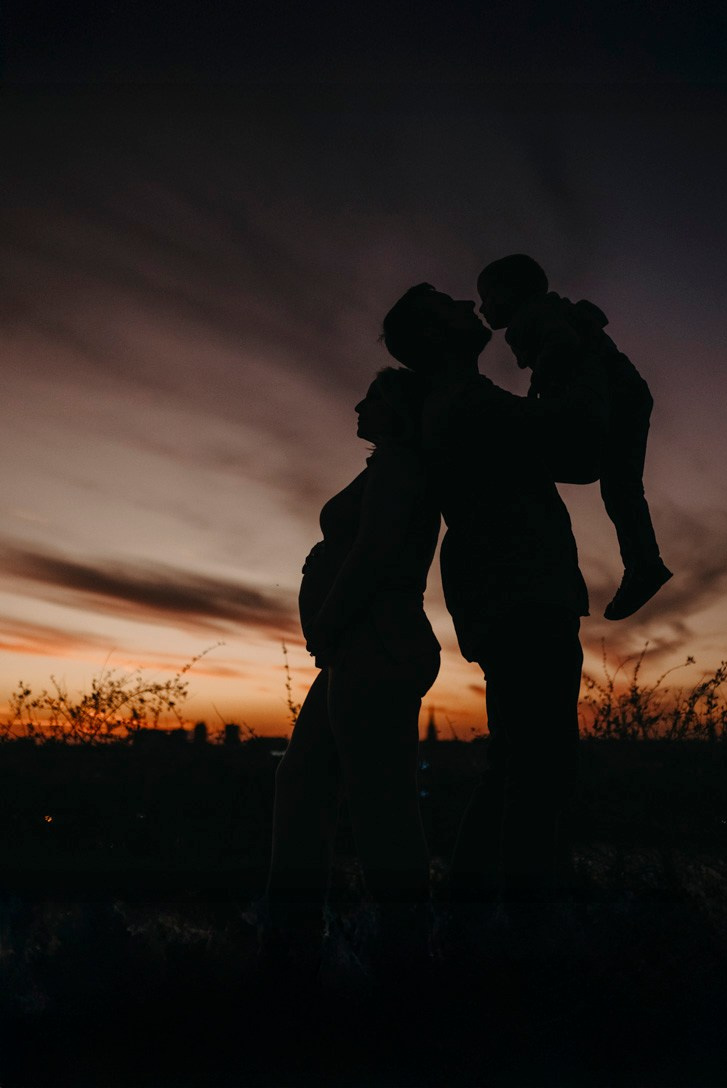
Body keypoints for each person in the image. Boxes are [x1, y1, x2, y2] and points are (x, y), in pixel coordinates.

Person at [381, 284, 607, 913]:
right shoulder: (462, 400)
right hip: (522, 591)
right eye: (446, 304)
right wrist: (574, 347)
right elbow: (575, 438)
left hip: (511, 592)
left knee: (520, 762)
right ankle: (519, 932)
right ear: (433, 337)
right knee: (540, 766)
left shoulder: (462, 401)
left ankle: (476, 924)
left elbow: (555, 444)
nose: (466, 302)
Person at [263, 367, 441, 977]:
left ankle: (406, 956)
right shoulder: (384, 467)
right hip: (354, 646)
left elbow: (374, 553)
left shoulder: (401, 466)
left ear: (401, 410)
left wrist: (329, 620)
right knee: (301, 782)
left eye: (375, 397)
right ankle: (293, 943)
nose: (360, 404)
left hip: (374, 644)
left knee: (380, 803)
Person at [476, 253, 672, 620]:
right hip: (628, 394)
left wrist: (541, 387)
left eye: (488, 296)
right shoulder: (551, 310)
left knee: (532, 462)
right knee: (622, 488)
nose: (482, 307)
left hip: (606, 399)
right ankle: (644, 563)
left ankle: (639, 565)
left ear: (513, 292)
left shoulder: (530, 317)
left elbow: (562, 343)